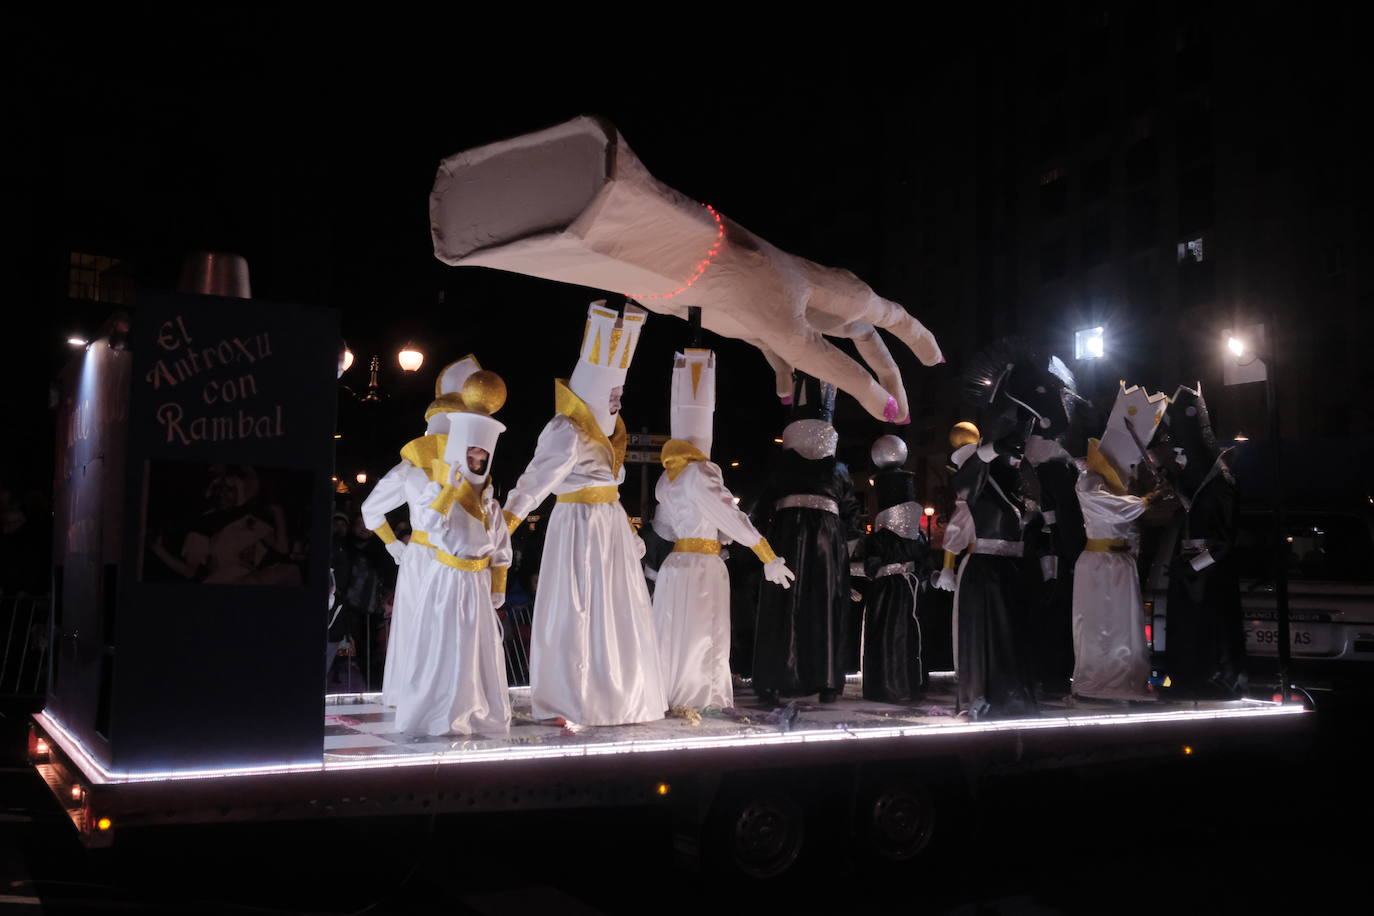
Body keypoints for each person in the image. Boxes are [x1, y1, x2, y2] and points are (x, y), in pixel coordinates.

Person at [501, 302, 667, 725]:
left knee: (616, 610)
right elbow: (535, 481)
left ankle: (618, 696)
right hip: (577, 526)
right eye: (611, 394)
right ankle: (575, 698)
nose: (618, 399)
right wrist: (503, 526)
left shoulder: (614, 431)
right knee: (578, 610)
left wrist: (629, 537)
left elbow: (612, 489)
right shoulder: (566, 428)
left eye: (619, 394)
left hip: (609, 526)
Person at [652, 349, 793, 711]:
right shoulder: (702, 472)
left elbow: (666, 528)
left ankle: (671, 695)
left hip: (676, 566)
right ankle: (700, 698)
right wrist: (767, 555)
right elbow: (732, 516)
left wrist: (708, 527)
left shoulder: (667, 479)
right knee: (703, 632)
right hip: (702, 567)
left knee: (673, 634)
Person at [392, 369, 513, 736]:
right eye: (471, 456)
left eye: (482, 458)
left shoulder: (489, 503)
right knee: (444, 648)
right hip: (446, 581)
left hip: (476, 584)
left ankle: (475, 710)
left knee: (476, 650)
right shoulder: (437, 490)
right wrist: (448, 489)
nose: (476, 462)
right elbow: (428, 524)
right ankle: (438, 713)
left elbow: (502, 547)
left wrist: (498, 583)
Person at [362, 356, 481, 706]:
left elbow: (370, 511)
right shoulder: (470, 470)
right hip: (454, 557)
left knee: (418, 625)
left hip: (422, 554)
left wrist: (393, 545)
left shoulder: (409, 469)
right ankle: (447, 694)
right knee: (449, 627)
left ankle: (413, 694)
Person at [752, 372, 859, 705]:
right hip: (827, 540)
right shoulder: (838, 470)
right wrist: (849, 557)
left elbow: (760, 507)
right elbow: (852, 515)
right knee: (823, 604)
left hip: (788, 535)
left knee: (784, 605)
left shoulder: (783, 466)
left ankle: (774, 681)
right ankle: (825, 681)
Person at [1071, 383, 1171, 702]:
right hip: (1099, 564)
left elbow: (1130, 520)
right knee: (1100, 625)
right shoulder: (1089, 481)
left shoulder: (1116, 481)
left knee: (1124, 626)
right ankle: (1098, 681)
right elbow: (1117, 509)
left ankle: (1126, 679)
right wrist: (1150, 498)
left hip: (1120, 563)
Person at [1155, 383, 1247, 699]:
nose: (1178, 453)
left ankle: (1218, 678)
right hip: (1189, 570)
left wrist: (1194, 566)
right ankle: (1188, 679)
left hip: (1211, 574)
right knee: (1186, 629)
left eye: (1181, 447)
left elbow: (1223, 541)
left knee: (1212, 626)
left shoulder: (1219, 481)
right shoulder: (1196, 480)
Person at [859, 434, 929, 703]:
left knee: (891, 636)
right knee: (907, 634)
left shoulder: (879, 539)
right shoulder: (918, 537)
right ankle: (910, 684)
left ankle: (889, 685)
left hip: (888, 591)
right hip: (909, 587)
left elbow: (871, 566)